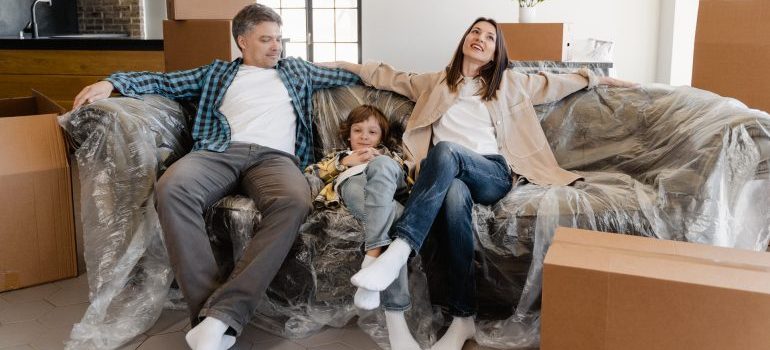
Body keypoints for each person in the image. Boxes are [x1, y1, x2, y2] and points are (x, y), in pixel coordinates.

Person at [320, 17, 636, 350]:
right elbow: (389, 76)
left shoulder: (509, 83)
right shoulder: (435, 83)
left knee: (445, 151)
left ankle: (398, 251)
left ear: (496, 51)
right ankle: (463, 320)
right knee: (454, 195)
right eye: (475, 32)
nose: (480, 39)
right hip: (449, 177)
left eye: (490, 37)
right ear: (464, 40)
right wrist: (346, 65)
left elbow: (557, 82)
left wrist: (601, 79)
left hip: (492, 172)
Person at [72, 4, 360, 350]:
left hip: (276, 158)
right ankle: (210, 320)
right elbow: (164, 81)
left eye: (279, 39)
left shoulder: (297, 71)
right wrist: (112, 82)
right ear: (242, 41)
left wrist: (412, 81)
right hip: (218, 151)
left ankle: (223, 315)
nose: (276, 47)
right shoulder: (217, 74)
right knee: (172, 189)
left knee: (294, 202)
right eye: (266, 39)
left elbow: (354, 76)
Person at [305, 104, 420, 350]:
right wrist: (345, 162)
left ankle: (371, 259)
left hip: (389, 181)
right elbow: (310, 172)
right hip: (357, 186)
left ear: (381, 137)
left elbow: (410, 179)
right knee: (390, 218)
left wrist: (386, 160)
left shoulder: (391, 154)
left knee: (381, 168)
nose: (364, 137)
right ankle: (395, 321)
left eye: (372, 132)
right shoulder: (339, 157)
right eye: (358, 131)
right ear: (348, 135)